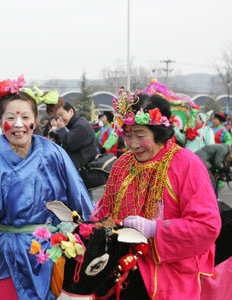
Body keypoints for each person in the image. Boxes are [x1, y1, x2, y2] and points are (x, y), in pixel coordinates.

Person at [0, 76, 94, 300]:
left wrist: (91, 230)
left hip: (43, 251)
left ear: (36, 121)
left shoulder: (53, 153)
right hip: (4, 253)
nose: (18, 124)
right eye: (10, 118)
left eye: (25, 117)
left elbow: (77, 195)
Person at [92, 89, 221, 300]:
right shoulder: (123, 163)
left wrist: (154, 229)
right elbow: (104, 211)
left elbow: (207, 226)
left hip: (170, 271)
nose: (132, 144)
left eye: (140, 135)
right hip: (120, 266)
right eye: (128, 135)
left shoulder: (186, 164)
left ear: (159, 133)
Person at [49, 99, 97, 186]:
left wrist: (61, 129)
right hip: (78, 169)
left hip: (80, 171)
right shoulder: (76, 124)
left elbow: (69, 144)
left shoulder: (80, 126)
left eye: (61, 114)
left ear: (71, 111)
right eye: (57, 117)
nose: (60, 119)